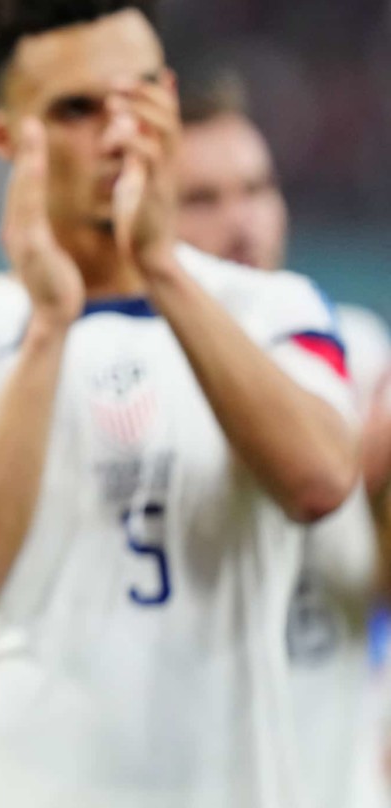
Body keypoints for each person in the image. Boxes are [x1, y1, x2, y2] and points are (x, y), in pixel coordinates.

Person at [0, 0, 358, 808]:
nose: (117, 135)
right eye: (75, 111)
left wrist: (162, 267)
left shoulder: (278, 313)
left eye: (135, 98)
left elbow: (321, 481)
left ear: (169, 96)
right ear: (4, 139)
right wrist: (52, 326)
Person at [177, 73, 391, 808]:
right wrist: (347, 462)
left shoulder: (359, 355)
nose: (243, 223)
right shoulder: (111, 372)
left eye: (256, 189)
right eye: (201, 199)